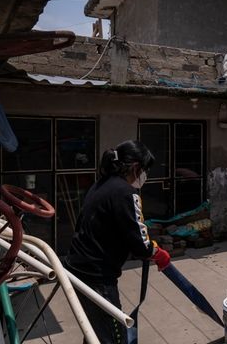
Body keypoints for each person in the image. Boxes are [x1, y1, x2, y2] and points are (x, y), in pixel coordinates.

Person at [64, 140, 171, 344]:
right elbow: (139, 243)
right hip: (97, 277)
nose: (145, 177)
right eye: (146, 170)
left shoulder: (101, 184)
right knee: (115, 338)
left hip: (76, 269)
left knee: (94, 332)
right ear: (137, 168)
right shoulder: (126, 193)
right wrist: (157, 252)